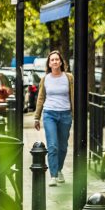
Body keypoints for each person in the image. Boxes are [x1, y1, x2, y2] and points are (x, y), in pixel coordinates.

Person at [34, 49, 74, 187]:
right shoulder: (45, 79)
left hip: (65, 115)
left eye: (57, 59)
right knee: (53, 146)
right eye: (52, 60)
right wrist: (36, 117)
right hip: (49, 114)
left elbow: (74, 96)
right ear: (49, 64)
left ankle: (59, 169)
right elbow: (40, 98)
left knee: (62, 147)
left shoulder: (69, 77)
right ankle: (53, 175)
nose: (55, 61)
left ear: (61, 62)